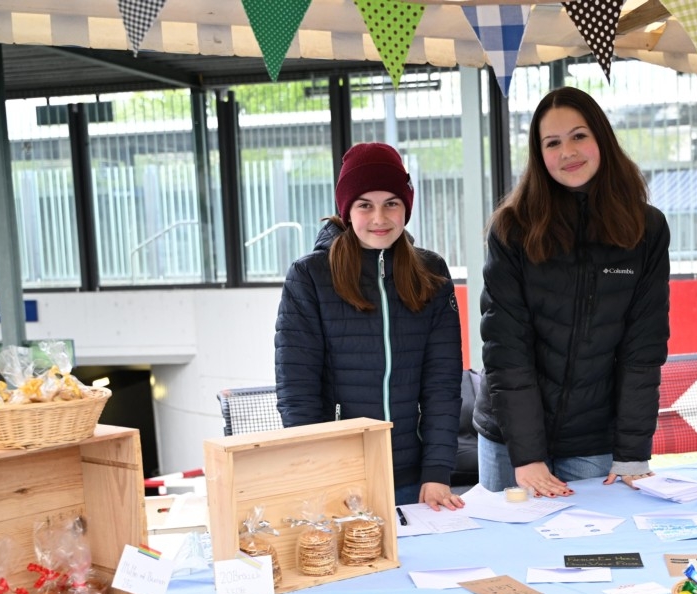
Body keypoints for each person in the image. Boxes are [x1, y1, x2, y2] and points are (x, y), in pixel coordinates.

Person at [472, 87, 671, 498]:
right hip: (511, 440)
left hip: (591, 439)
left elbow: (643, 347)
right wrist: (528, 455)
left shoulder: (645, 229)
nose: (568, 152)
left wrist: (632, 452)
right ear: (539, 154)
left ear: (601, 138)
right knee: (510, 538)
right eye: (553, 143)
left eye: (579, 136)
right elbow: (506, 348)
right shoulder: (512, 229)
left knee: (595, 538)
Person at [275, 142, 465, 510]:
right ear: (347, 210)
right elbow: (298, 391)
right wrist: (320, 475)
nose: (379, 218)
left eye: (391, 203)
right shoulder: (310, 277)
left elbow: (442, 384)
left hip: (414, 481)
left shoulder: (431, 272)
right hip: (339, 479)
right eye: (365, 205)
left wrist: (437, 471)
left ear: (406, 207)